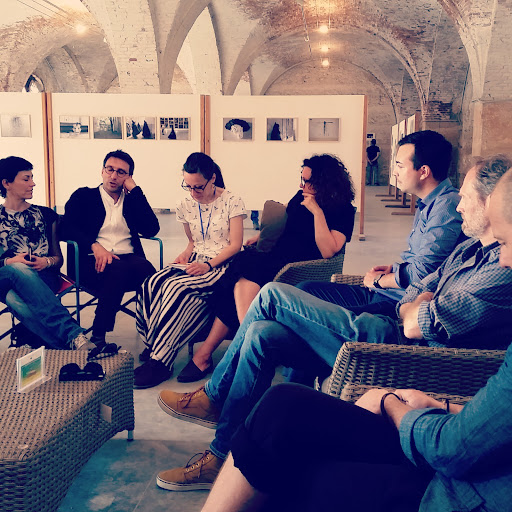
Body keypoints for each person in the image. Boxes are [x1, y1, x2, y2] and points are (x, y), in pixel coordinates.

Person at [154, 154, 512, 491]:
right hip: (390, 323)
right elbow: (416, 293)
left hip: (401, 350)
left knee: (272, 294)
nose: (458, 206)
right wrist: (416, 304)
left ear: (491, 202)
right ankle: (220, 454)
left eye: (465, 198)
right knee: (262, 332)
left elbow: (417, 324)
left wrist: (416, 307)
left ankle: (214, 395)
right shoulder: (469, 249)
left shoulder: (500, 269)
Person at [176, 154, 355, 383]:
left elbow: (328, 250)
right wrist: (262, 236)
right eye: (301, 179)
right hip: (277, 256)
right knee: (241, 270)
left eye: (307, 181)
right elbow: (288, 225)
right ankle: (243, 339)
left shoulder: (342, 209)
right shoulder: (301, 195)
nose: (302, 185)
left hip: (298, 267)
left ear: (324, 181)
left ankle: (214, 351)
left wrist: (317, 212)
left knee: (241, 270)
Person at [297, 130, 463, 321]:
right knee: (303, 290)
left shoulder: (445, 206)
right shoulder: (429, 202)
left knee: (299, 308)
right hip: (389, 292)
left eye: (400, 166)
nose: (394, 172)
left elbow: (424, 271)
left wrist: (380, 280)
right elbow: (423, 260)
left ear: (424, 171)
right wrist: (395, 269)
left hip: (400, 302)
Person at [134, 152, 246, 389]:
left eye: (198, 187)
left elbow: (235, 245)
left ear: (212, 178)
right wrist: (185, 254)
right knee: (151, 283)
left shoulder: (232, 201)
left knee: (177, 289)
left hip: (222, 264)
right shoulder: (184, 204)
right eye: (189, 186)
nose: (193, 192)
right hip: (196, 260)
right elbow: (193, 242)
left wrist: (208, 265)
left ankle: (161, 362)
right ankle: (154, 343)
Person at [59, 149, 159, 354]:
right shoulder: (83, 196)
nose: (113, 176)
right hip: (91, 262)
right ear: (102, 171)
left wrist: (136, 191)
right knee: (117, 269)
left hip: (128, 259)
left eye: (121, 172)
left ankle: (154, 337)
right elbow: (65, 227)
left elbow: (151, 229)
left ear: (129, 177)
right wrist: (95, 246)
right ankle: (98, 336)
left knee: (151, 274)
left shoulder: (131, 201)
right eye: (110, 169)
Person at [0, 156, 88, 350]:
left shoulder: (46, 215)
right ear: (6, 183)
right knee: (17, 269)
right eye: (26, 179)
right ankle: (74, 336)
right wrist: (11, 262)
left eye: (32, 178)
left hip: (42, 277)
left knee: (15, 300)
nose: (33, 183)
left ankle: (63, 347)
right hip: (3, 276)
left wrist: (45, 262)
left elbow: (58, 259)